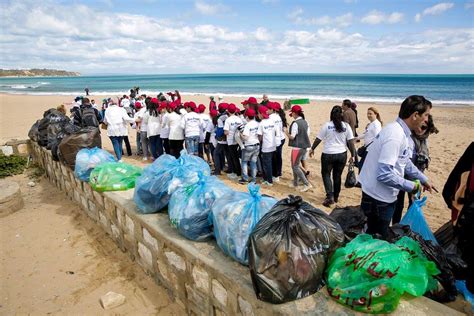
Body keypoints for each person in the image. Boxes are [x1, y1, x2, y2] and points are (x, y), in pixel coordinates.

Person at [358, 95, 437, 239]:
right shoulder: (395, 135)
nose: (427, 120)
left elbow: (404, 161)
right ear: (415, 115)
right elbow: (384, 174)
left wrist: (423, 178)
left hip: (382, 195)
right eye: (426, 115)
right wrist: (412, 186)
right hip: (378, 198)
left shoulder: (402, 133)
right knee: (375, 240)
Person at [392, 114, 439, 223]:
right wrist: (422, 179)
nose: (421, 130)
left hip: (416, 175)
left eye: (425, 128)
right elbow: (406, 163)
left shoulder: (424, 138)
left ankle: (408, 226)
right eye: (421, 127)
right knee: (398, 203)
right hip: (403, 175)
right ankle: (395, 225)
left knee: (413, 203)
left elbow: (422, 159)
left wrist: (421, 180)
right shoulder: (408, 138)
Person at [310, 106, 356, 206]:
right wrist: (353, 154)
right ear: (341, 115)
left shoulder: (327, 125)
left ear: (331, 114)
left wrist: (312, 148)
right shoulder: (346, 126)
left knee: (326, 174)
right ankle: (336, 197)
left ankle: (329, 196)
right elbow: (351, 142)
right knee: (337, 176)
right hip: (341, 154)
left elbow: (318, 139)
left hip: (328, 154)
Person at [286, 105, 312, 192]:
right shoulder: (305, 122)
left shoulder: (295, 123)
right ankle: (295, 183)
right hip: (304, 147)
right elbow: (308, 134)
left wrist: (286, 132)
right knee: (295, 165)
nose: (292, 115)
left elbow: (292, 137)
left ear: (294, 113)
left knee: (295, 166)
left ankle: (306, 183)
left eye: (292, 113)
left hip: (297, 147)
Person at [257, 106, 279, 186]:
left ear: (261, 114)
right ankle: (267, 179)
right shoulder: (271, 121)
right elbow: (276, 132)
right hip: (272, 145)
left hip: (266, 146)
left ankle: (269, 181)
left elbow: (260, 136)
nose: (258, 115)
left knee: (266, 164)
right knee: (268, 163)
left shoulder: (261, 123)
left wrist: (258, 143)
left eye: (258, 113)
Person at [239, 108, 260, 184]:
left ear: (247, 116)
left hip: (249, 145)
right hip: (257, 144)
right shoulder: (257, 123)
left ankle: (245, 178)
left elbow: (246, 137)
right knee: (253, 162)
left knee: (244, 162)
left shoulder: (247, 125)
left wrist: (240, 134)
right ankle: (254, 179)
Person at [224, 103, 243, 179]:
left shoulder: (228, 120)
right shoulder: (239, 119)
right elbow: (242, 129)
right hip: (238, 140)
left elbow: (226, 132)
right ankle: (237, 172)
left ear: (228, 111)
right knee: (236, 157)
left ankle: (237, 173)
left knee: (234, 157)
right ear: (235, 110)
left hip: (231, 140)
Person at [269, 102, 286, 182]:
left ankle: (275, 175)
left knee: (274, 157)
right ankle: (278, 173)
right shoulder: (279, 116)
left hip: (277, 139)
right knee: (278, 157)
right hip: (281, 138)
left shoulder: (271, 117)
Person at [212, 103, 229, 175]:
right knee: (228, 155)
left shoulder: (220, 118)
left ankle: (217, 171)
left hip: (222, 139)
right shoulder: (229, 116)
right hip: (229, 139)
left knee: (216, 154)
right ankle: (231, 169)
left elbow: (220, 130)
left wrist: (216, 135)